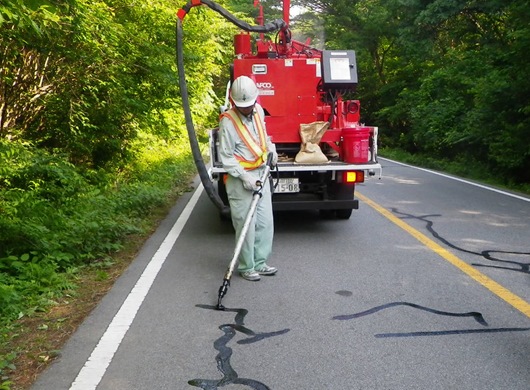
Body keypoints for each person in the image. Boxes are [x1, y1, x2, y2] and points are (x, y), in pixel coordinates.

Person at [218, 75, 278, 281]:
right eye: (242, 106)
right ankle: (246, 266)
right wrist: (244, 177)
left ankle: (260, 262)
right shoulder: (228, 122)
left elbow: (262, 137)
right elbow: (225, 157)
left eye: (249, 105)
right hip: (241, 179)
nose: (246, 109)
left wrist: (271, 149)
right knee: (246, 225)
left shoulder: (259, 111)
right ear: (234, 102)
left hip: (261, 172)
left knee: (264, 222)